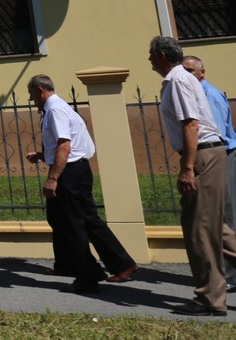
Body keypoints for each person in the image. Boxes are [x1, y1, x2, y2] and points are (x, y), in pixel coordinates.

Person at [25, 74, 135, 295]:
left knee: (75, 224)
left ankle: (89, 274)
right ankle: (73, 264)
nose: (31, 99)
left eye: (31, 95)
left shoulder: (55, 110)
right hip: (74, 169)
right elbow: (64, 143)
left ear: (39, 90)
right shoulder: (56, 108)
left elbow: (65, 146)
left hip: (70, 173)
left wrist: (53, 178)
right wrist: (42, 154)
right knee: (63, 218)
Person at [150, 36, 236, 316]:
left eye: (151, 55)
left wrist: (187, 167)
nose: (149, 60)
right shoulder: (182, 80)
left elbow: (190, 124)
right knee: (216, 227)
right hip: (210, 152)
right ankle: (211, 294)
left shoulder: (177, 80)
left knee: (199, 228)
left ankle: (209, 299)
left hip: (201, 154)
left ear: (162, 55)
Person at [183, 54, 236, 287]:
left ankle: (230, 275)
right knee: (218, 215)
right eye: (183, 70)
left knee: (223, 214)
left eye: (190, 70)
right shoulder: (196, 93)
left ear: (202, 72)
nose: (186, 75)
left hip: (221, 154)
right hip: (219, 154)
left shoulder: (208, 95)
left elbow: (211, 134)